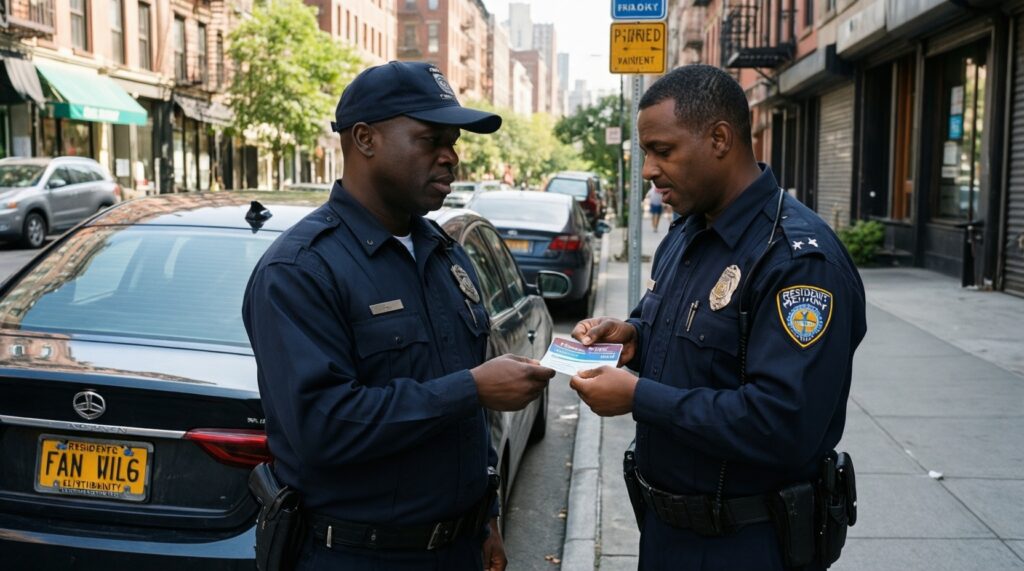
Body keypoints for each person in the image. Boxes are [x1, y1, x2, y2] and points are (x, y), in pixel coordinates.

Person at [242, 61, 555, 571]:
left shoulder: (444, 252)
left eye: (453, 142)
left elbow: (469, 421)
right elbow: (323, 429)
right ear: (365, 139)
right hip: (357, 555)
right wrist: (471, 388)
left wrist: (488, 513)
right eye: (431, 140)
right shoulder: (300, 270)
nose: (450, 157)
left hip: (459, 548)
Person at [569, 64, 867, 570]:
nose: (649, 171)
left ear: (720, 139)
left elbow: (782, 422)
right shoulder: (687, 232)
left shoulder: (796, 261)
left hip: (747, 542)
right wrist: (631, 336)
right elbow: (670, 327)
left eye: (663, 150)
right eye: (646, 153)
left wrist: (639, 397)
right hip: (666, 533)